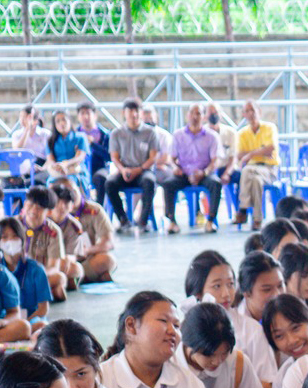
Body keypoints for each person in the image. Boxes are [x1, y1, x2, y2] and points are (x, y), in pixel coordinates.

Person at [159, 103, 220, 235]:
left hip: (203, 173)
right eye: (192, 113)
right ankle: (172, 221)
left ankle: (210, 220)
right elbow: (172, 159)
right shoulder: (178, 135)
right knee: (168, 183)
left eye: (198, 113)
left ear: (203, 117)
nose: (194, 117)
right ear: (187, 115)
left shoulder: (212, 136)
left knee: (216, 183)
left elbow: (215, 160)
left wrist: (204, 172)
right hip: (184, 173)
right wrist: (175, 168)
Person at [105, 98, 162, 235]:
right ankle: (123, 220)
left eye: (136, 111)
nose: (134, 114)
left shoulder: (150, 132)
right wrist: (122, 169)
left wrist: (139, 169)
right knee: (110, 183)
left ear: (141, 113)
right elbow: (114, 157)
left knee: (149, 181)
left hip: (143, 170)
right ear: (124, 113)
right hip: (124, 170)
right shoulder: (117, 133)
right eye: (130, 111)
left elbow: (153, 157)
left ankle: (143, 221)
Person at [48, 177, 118, 287]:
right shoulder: (49, 214)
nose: (70, 196)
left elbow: (108, 242)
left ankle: (72, 280)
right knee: (64, 267)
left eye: (73, 191)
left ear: (79, 189)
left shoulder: (94, 209)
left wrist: (86, 250)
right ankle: (84, 278)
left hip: (86, 260)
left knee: (107, 260)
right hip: (59, 262)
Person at [0, 216, 53, 327]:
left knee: (41, 325)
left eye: (14, 236)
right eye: (4, 237)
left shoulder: (36, 269)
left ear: (22, 239)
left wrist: (24, 324)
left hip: (31, 320)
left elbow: (43, 309)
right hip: (4, 322)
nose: (10, 241)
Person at [234, 101, 280, 230]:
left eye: (252, 110)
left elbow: (270, 148)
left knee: (247, 170)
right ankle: (257, 219)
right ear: (244, 114)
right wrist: (260, 151)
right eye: (247, 111)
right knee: (255, 181)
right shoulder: (242, 133)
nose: (251, 114)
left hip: (269, 169)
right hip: (253, 172)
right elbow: (239, 155)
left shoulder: (270, 128)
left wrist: (249, 155)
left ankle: (242, 209)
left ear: (259, 111)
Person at [17, 186, 68, 302]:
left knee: (60, 278)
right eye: (30, 205)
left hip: (38, 276)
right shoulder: (12, 225)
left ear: (49, 212)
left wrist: (33, 277)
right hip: (14, 276)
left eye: (39, 208)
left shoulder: (53, 232)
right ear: (24, 205)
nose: (33, 211)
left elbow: (53, 267)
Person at [43, 109, 89, 187]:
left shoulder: (80, 137)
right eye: (58, 121)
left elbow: (79, 157)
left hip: (76, 171)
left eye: (64, 119)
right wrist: (58, 167)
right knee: (51, 184)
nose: (62, 123)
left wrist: (65, 164)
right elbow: (50, 160)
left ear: (69, 121)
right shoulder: (50, 141)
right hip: (58, 172)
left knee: (70, 184)